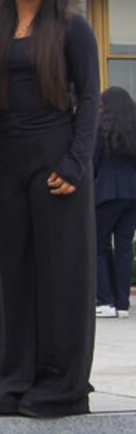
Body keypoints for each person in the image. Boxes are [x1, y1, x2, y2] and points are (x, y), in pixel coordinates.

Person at [0, 0, 99, 418]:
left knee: (61, 276)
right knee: (12, 278)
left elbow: (89, 99)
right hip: (5, 163)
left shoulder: (73, 26)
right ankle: (12, 383)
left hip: (57, 161)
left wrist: (76, 161)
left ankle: (61, 387)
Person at [94, 86, 136, 319]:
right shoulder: (133, 129)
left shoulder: (102, 128)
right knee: (124, 248)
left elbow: (93, 161)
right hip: (133, 195)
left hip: (108, 193)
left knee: (97, 246)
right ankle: (122, 303)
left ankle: (105, 300)